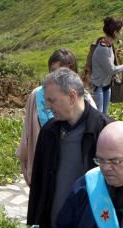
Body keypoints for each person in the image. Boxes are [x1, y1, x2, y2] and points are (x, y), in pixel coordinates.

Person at [27, 68, 111, 228]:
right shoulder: (49, 132)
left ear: (72, 96)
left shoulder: (105, 131)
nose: (47, 106)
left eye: (52, 101)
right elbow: (38, 186)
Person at [18, 48, 82, 186]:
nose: (57, 78)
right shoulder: (37, 95)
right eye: (54, 71)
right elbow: (28, 134)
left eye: (64, 73)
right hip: (44, 160)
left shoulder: (83, 98)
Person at [88, 16, 123, 114]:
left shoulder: (107, 44)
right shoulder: (103, 48)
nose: (121, 33)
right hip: (98, 87)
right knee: (99, 115)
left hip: (105, 86)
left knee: (105, 114)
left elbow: (105, 60)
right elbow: (112, 70)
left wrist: (115, 53)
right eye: (120, 31)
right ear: (115, 33)